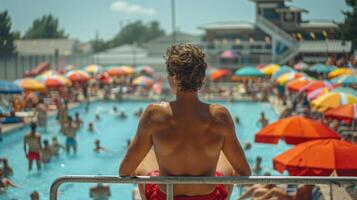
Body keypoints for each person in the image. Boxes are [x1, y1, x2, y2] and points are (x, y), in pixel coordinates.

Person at [119, 44, 250, 200]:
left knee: (146, 157)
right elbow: (244, 172)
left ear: (173, 77)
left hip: (165, 197)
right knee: (226, 159)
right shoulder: (220, 116)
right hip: (208, 197)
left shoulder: (154, 114)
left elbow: (125, 171)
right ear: (201, 78)